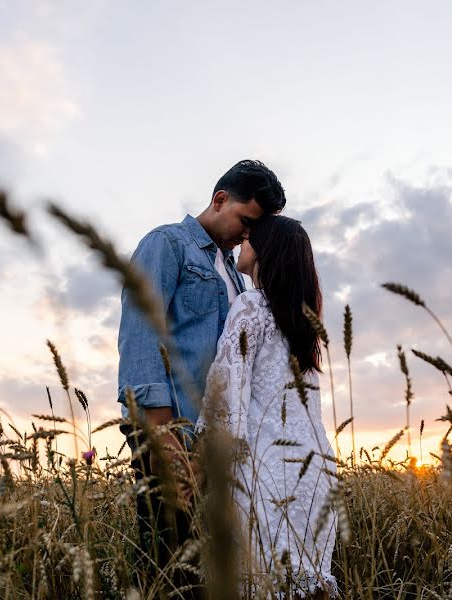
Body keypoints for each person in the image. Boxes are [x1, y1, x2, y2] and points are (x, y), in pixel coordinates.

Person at [116, 160, 286, 588]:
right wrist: (161, 435)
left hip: (212, 445)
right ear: (219, 199)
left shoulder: (236, 275)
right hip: (170, 430)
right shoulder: (166, 245)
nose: (248, 235)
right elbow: (140, 335)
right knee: (168, 570)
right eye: (246, 221)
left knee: (207, 574)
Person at [196, 215, 338, 599]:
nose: (243, 242)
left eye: (250, 238)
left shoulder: (250, 306)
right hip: (315, 473)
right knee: (307, 585)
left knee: (260, 582)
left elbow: (226, 396)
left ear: (265, 251)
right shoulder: (304, 323)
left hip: (265, 472)